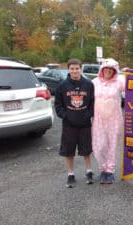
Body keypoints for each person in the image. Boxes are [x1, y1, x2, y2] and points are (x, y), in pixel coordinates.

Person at [55, 58, 94, 188]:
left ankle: (89, 171)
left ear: (80, 69)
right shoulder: (62, 85)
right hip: (69, 125)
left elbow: (93, 103)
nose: (75, 71)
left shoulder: (88, 84)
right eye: (72, 68)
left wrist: (88, 114)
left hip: (85, 124)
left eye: (77, 68)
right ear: (68, 70)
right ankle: (70, 174)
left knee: (86, 150)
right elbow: (58, 105)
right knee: (68, 151)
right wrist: (65, 116)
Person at [92, 58, 125, 184]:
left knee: (112, 144)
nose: (108, 71)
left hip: (114, 120)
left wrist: (130, 73)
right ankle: (102, 168)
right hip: (98, 120)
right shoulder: (94, 82)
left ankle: (109, 171)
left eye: (111, 69)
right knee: (99, 146)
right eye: (106, 68)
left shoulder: (119, 82)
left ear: (114, 71)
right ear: (102, 69)